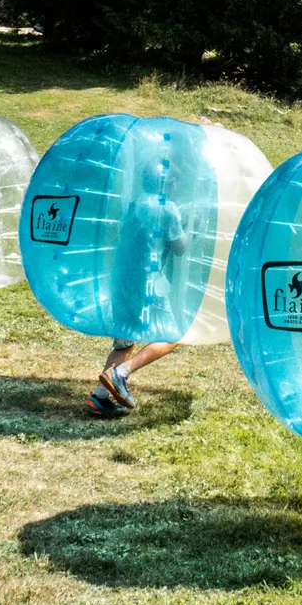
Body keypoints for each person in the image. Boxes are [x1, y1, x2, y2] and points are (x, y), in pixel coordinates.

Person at [87, 160, 194, 418]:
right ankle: (120, 374)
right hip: (147, 283)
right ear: (164, 182)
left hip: (122, 278)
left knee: (125, 339)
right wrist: (191, 225)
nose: (176, 185)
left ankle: (100, 397)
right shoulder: (166, 208)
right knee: (173, 334)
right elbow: (179, 247)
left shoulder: (133, 203)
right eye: (173, 180)